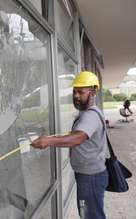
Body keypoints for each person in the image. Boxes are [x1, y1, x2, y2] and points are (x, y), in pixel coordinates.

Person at [31, 71, 108, 219]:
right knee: (90, 214)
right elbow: (76, 135)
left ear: (92, 93)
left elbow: (78, 138)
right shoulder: (89, 113)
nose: (76, 96)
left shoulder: (90, 115)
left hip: (90, 177)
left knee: (89, 215)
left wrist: (47, 141)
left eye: (80, 92)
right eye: (74, 91)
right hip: (90, 175)